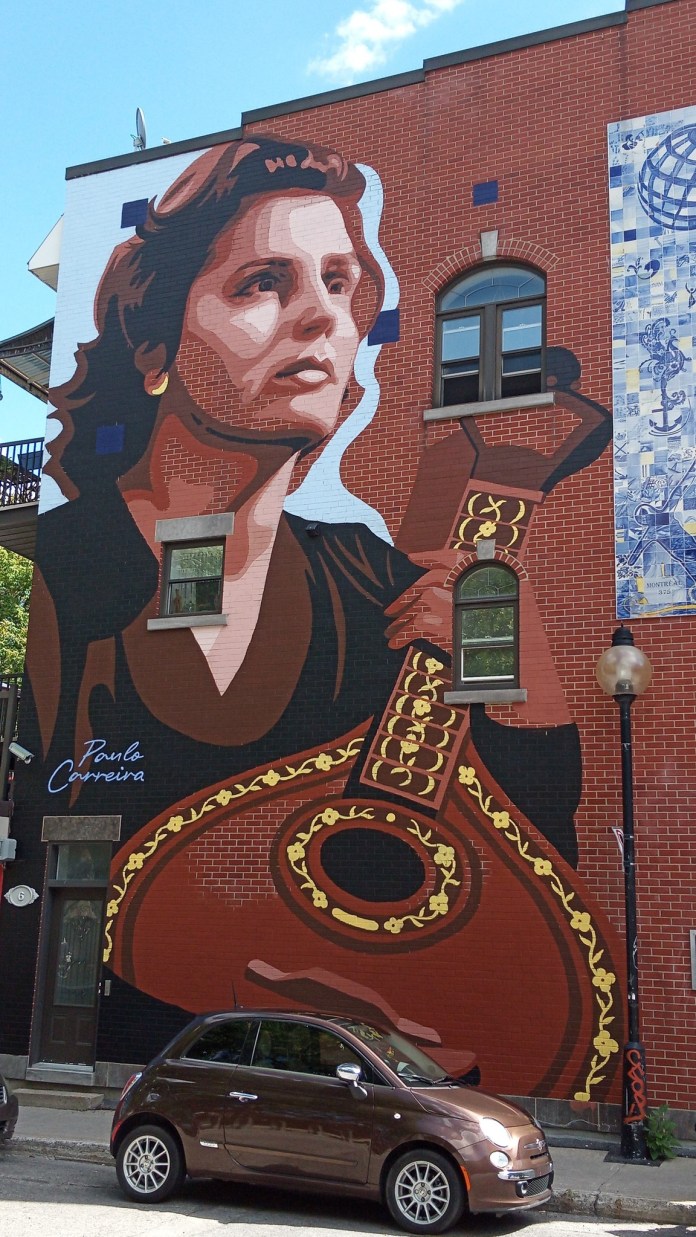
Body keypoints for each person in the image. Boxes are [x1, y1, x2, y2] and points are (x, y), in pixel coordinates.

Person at [24, 134, 622, 1098]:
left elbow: (527, 834)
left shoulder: (372, 577)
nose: (320, 316)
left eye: (342, 286)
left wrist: (528, 686)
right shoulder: (76, 566)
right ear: (155, 350)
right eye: (264, 282)